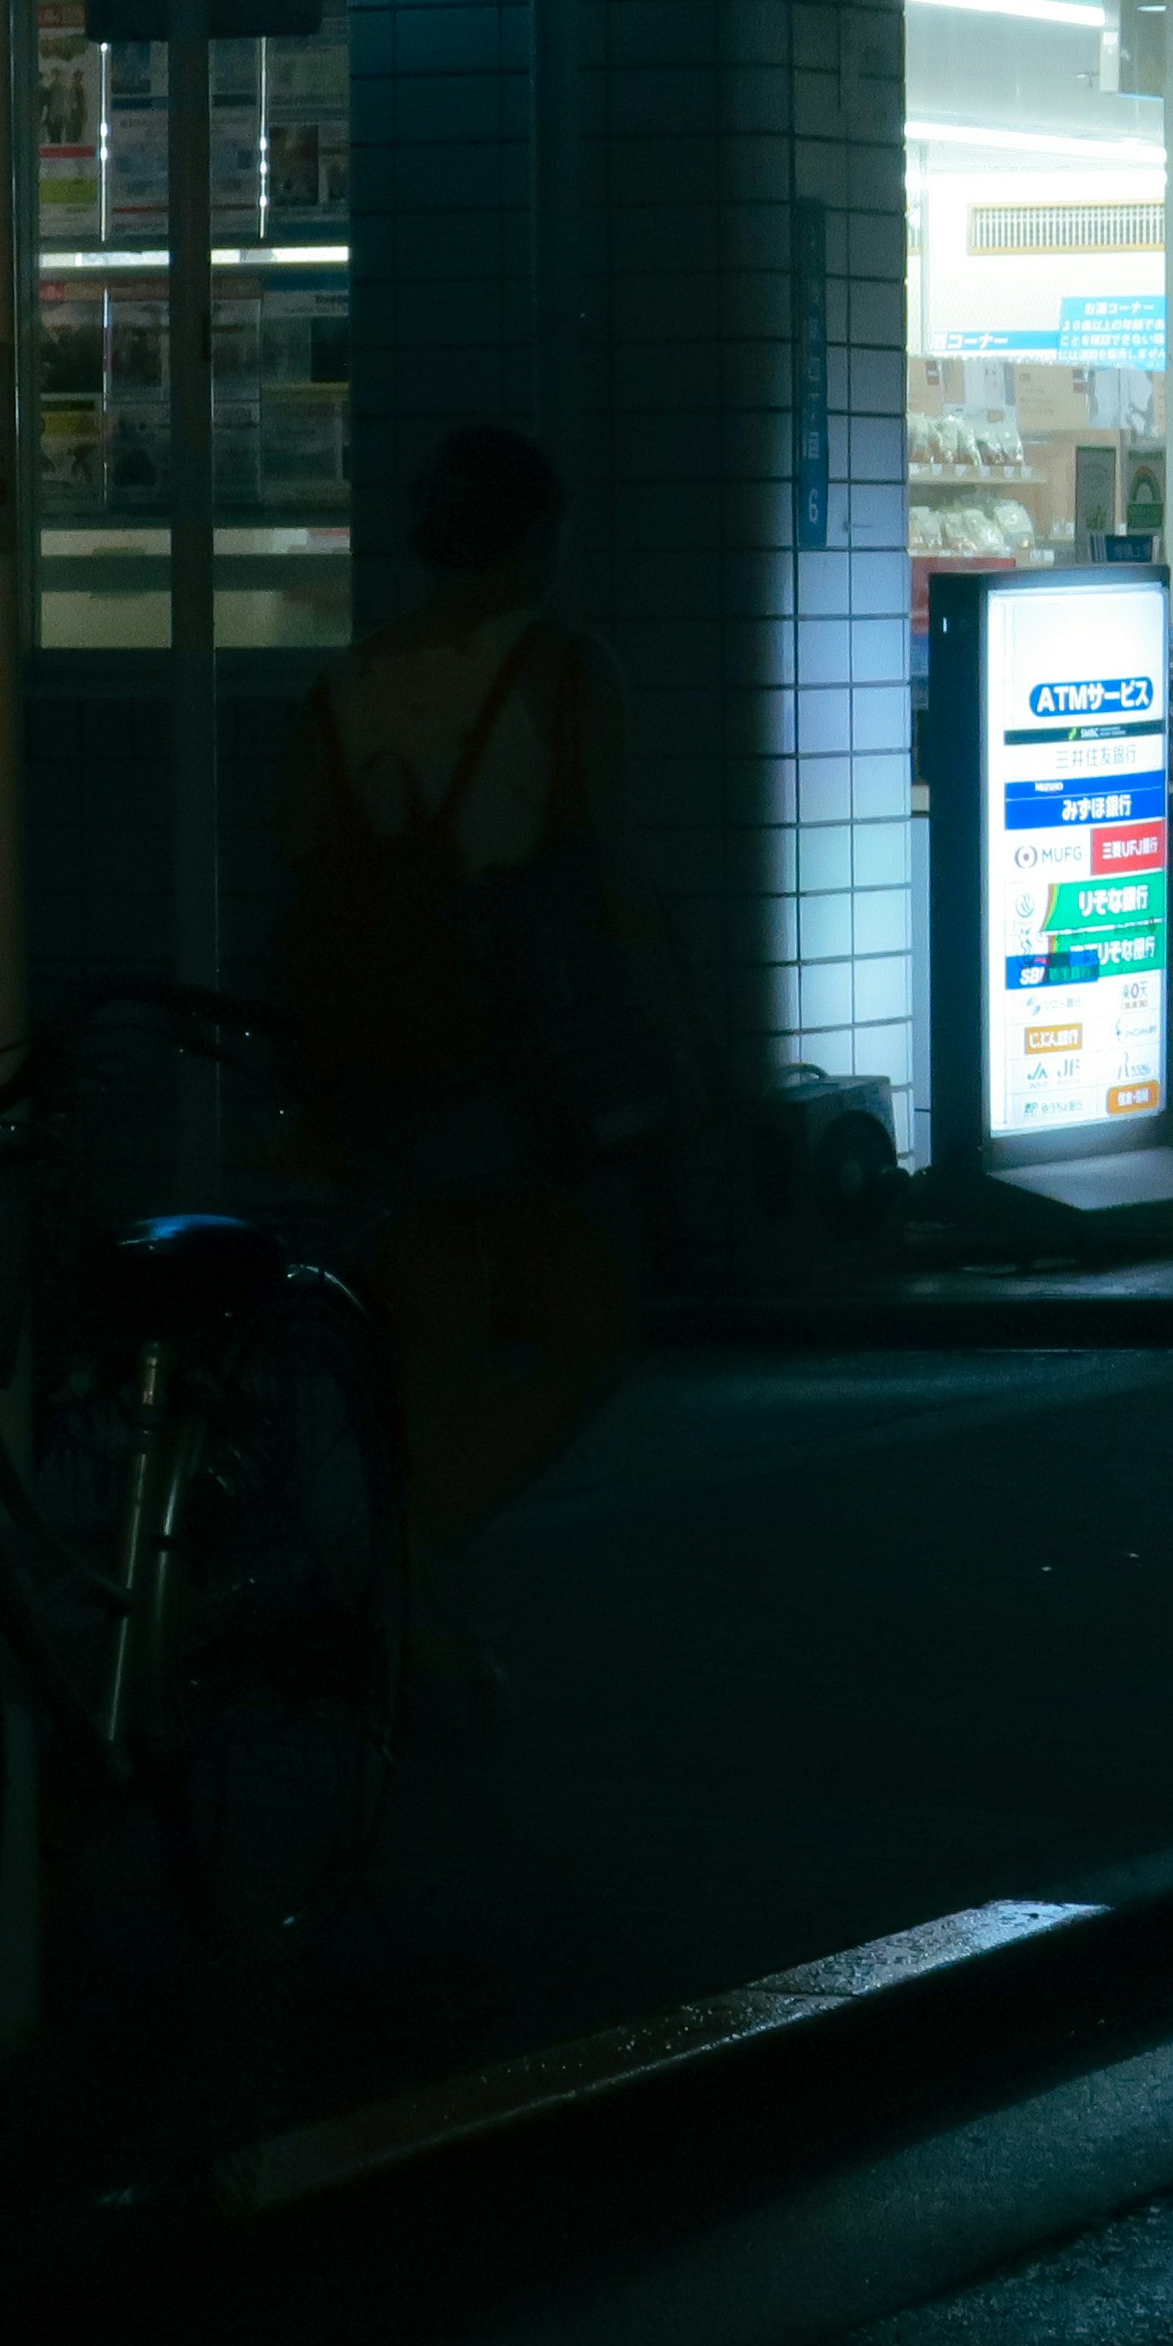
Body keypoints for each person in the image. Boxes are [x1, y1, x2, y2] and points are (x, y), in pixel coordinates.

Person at [280, 426, 698, 1693]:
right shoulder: (562, 673)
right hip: (504, 1055)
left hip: (372, 1052)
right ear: (535, 537)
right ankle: (400, 1566)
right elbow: (614, 883)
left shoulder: (345, 683)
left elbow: (303, 887)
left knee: (435, 1350)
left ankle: (434, 1636)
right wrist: (688, 1054)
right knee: (592, 1322)